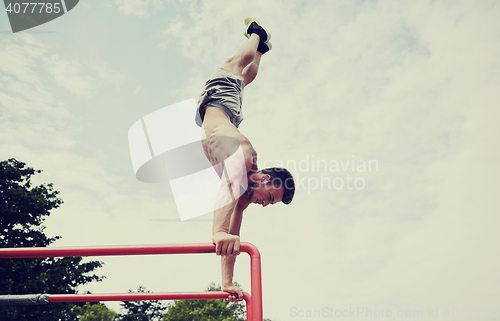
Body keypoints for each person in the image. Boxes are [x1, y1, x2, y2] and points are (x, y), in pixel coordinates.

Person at [195, 18, 295, 302]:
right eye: (269, 196)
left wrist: (227, 282)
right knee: (237, 64)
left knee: (245, 78)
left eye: (269, 203)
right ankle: (256, 35)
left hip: (227, 114)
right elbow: (227, 185)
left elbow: (234, 239)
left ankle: (262, 49)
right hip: (218, 100)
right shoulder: (244, 165)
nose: (264, 203)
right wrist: (216, 232)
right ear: (264, 177)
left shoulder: (243, 196)